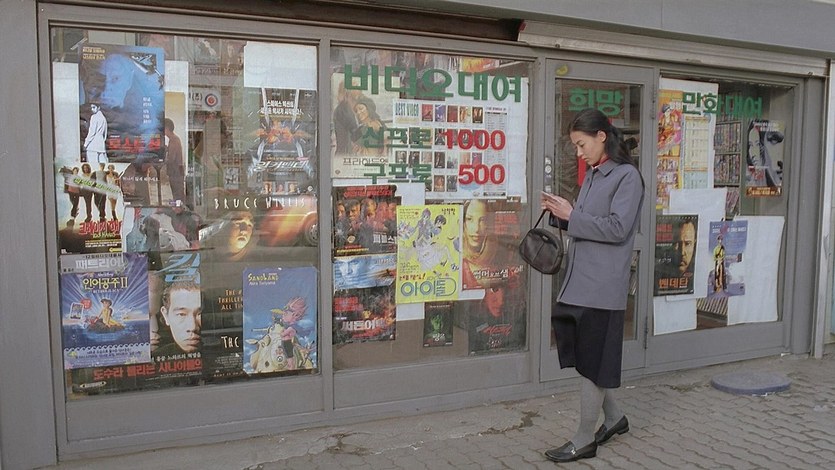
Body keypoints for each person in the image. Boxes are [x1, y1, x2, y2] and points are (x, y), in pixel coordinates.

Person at [540, 108, 644, 463]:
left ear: (602, 136)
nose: (578, 152)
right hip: (579, 282)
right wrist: (560, 214)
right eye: (575, 146)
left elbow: (617, 229)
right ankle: (614, 418)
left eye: (582, 144)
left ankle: (585, 439)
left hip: (602, 286)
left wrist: (572, 215)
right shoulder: (595, 174)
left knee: (594, 360)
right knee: (587, 357)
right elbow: (586, 223)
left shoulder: (627, 176)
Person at [154, 280, 202, 356]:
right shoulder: (156, 357)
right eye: (181, 314)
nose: (192, 327)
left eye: (200, 314)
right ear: (166, 315)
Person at [164, 118, 186, 203]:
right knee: (177, 195)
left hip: (175, 172)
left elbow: (171, 159)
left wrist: (162, 160)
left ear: (167, 128)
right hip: (176, 172)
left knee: (178, 196)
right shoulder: (174, 139)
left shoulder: (174, 140)